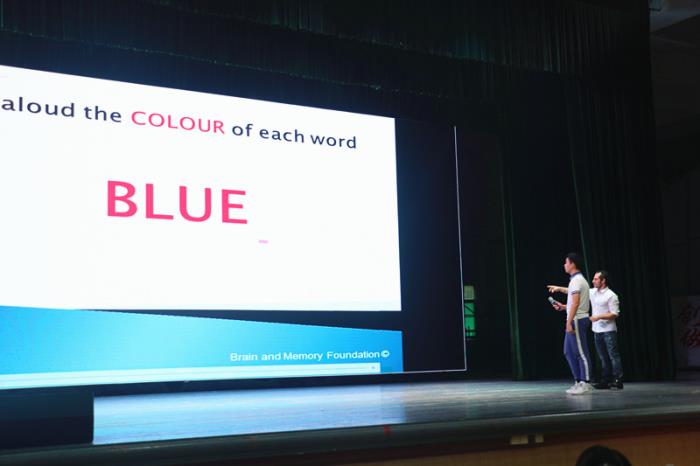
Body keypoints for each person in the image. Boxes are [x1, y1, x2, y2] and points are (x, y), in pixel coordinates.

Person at [547, 253, 593, 395]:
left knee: (581, 352)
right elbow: (573, 300)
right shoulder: (575, 280)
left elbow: (576, 303)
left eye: (566, 262)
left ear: (573, 264)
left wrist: (568, 322)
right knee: (568, 351)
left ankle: (585, 382)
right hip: (574, 317)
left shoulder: (577, 280)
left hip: (577, 319)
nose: (564, 265)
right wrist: (563, 306)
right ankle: (578, 381)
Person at [589, 270, 623, 389]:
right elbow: (576, 291)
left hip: (608, 330)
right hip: (597, 331)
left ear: (603, 281)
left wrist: (598, 317)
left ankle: (618, 380)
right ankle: (605, 380)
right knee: (603, 357)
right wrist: (559, 288)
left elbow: (614, 314)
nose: (593, 281)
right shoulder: (593, 292)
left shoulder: (611, 295)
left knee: (613, 355)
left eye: (596, 279)